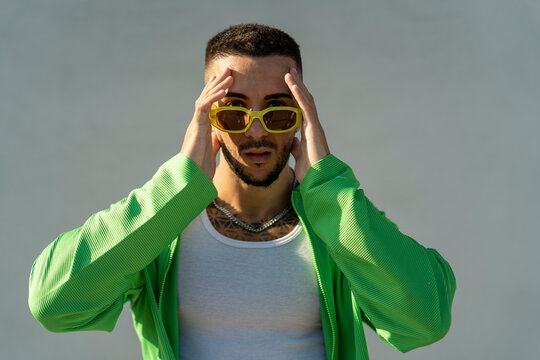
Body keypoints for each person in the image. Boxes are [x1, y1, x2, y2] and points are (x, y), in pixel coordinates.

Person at [28, 24, 456, 360]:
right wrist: (178, 186)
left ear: (301, 118)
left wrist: (328, 189)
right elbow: (55, 302)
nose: (255, 131)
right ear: (209, 118)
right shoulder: (162, 228)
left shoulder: (338, 225)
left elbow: (425, 319)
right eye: (233, 111)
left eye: (277, 111)